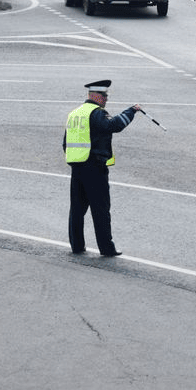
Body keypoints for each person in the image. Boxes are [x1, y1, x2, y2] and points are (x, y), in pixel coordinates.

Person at [63, 79, 141, 257]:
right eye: (105, 96)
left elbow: (65, 142)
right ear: (96, 96)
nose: (107, 99)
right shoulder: (96, 113)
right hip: (94, 167)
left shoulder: (75, 113)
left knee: (77, 209)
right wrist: (131, 111)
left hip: (77, 167)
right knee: (101, 210)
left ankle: (77, 246)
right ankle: (106, 248)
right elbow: (114, 125)